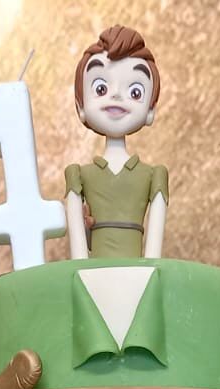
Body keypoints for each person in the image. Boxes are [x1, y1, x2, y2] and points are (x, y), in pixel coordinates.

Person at [64, 25, 168, 260]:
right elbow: (78, 245)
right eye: (101, 88)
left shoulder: (154, 175)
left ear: (150, 110)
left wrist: (149, 268)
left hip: (139, 273)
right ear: (81, 107)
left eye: (135, 92)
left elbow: (154, 244)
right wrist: (82, 265)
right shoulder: (78, 175)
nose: (116, 96)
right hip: (93, 273)